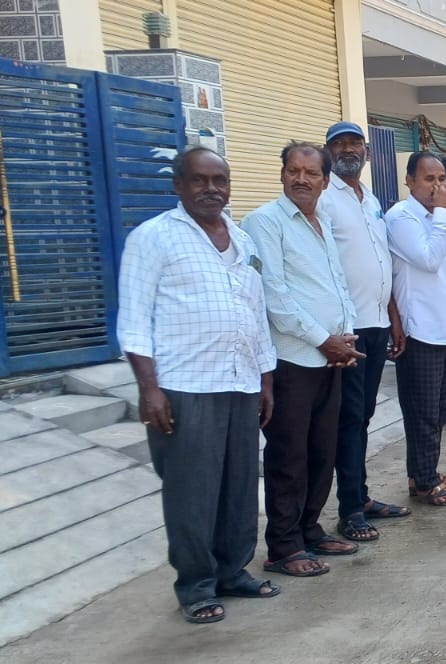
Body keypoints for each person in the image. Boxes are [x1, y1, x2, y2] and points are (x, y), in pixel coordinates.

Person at [118, 147, 280, 623]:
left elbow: (256, 315)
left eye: (219, 180)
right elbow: (133, 320)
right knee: (192, 492)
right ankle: (196, 586)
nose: (211, 189)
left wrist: (265, 379)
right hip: (185, 386)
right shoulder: (153, 238)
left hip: (241, 381)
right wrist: (149, 389)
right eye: (199, 180)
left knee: (239, 487)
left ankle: (232, 571)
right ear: (178, 185)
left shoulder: (243, 240)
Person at [244, 141, 362, 578]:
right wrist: (324, 339)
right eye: (293, 170)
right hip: (292, 359)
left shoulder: (322, 221)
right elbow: (274, 296)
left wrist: (344, 334)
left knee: (321, 451)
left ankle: (309, 528)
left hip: (331, 357)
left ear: (325, 181)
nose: (301, 179)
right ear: (282, 174)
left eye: (311, 173)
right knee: (288, 456)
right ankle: (283, 545)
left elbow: (336, 283)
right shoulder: (264, 222)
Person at [320, 121, 410, 543]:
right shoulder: (324, 197)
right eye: (339, 144)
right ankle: (351, 510)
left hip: (376, 323)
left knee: (364, 416)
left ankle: (361, 496)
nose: (348, 150)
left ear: (367, 152)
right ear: (328, 152)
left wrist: (393, 317)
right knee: (351, 417)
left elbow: (380, 263)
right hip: (348, 329)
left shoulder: (370, 198)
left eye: (354, 143)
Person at [386, 151, 446, 507]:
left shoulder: (442, 218)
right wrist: (443, 214)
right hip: (420, 329)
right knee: (422, 412)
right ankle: (423, 481)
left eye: (442, 179)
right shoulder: (402, 217)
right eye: (428, 179)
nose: (437, 186)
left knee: (438, 410)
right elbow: (430, 259)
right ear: (409, 181)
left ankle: (424, 472)